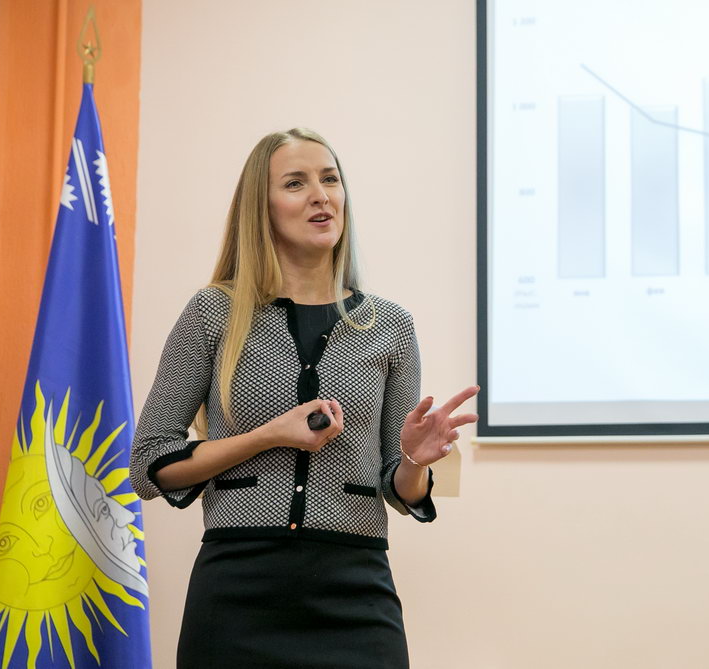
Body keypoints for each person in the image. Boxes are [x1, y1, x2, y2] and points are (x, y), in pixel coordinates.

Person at [128, 127, 478, 668]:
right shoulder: (213, 313)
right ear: (261, 208)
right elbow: (149, 466)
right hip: (237, 594)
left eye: (330, 179)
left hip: (355, 594)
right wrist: (268, 436)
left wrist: (413, 458)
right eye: (296, 183)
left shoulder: (390, 326)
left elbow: (400, 488)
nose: (321, 195)